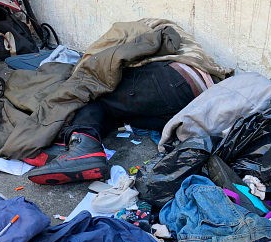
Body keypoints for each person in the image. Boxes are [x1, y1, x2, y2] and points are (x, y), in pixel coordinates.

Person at [26, 60, 216, 185]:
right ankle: (77, 144)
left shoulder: (90, 65)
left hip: (176, 80)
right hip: (191, 102)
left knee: (91, 95)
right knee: (114, 113)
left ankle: (83, 146)